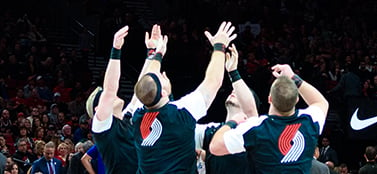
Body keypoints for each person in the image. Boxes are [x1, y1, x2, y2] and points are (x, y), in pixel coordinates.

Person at [131, 21, 237, 174]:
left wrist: (156, 53)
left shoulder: (137, 114)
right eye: (160, 77)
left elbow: (146, 82)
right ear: (163, 93)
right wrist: (219, 46)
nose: (161, 74)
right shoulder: (181, 112)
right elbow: (213, 82)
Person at [208, 63, 329, 174]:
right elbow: (320, 102)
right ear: (297, 99)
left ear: (270, 99)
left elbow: (215, 147)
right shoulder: (310, 121)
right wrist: (293, 77)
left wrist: (232, 122)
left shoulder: (257, 127)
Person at [85, 24, 167, 173]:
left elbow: (141, 88)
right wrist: (115, 50)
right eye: (105, 97)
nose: (114, 95)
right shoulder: (103, 128)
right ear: (98, 109)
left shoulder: (127, 117)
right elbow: (110, 89)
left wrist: (152, 53)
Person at [196, 44, 259, 174]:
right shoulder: (211, 131)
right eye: (233, 90)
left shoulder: (253, 131)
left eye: (240, 93)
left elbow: (252, 112)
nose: (234, 91)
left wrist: (233, 72)